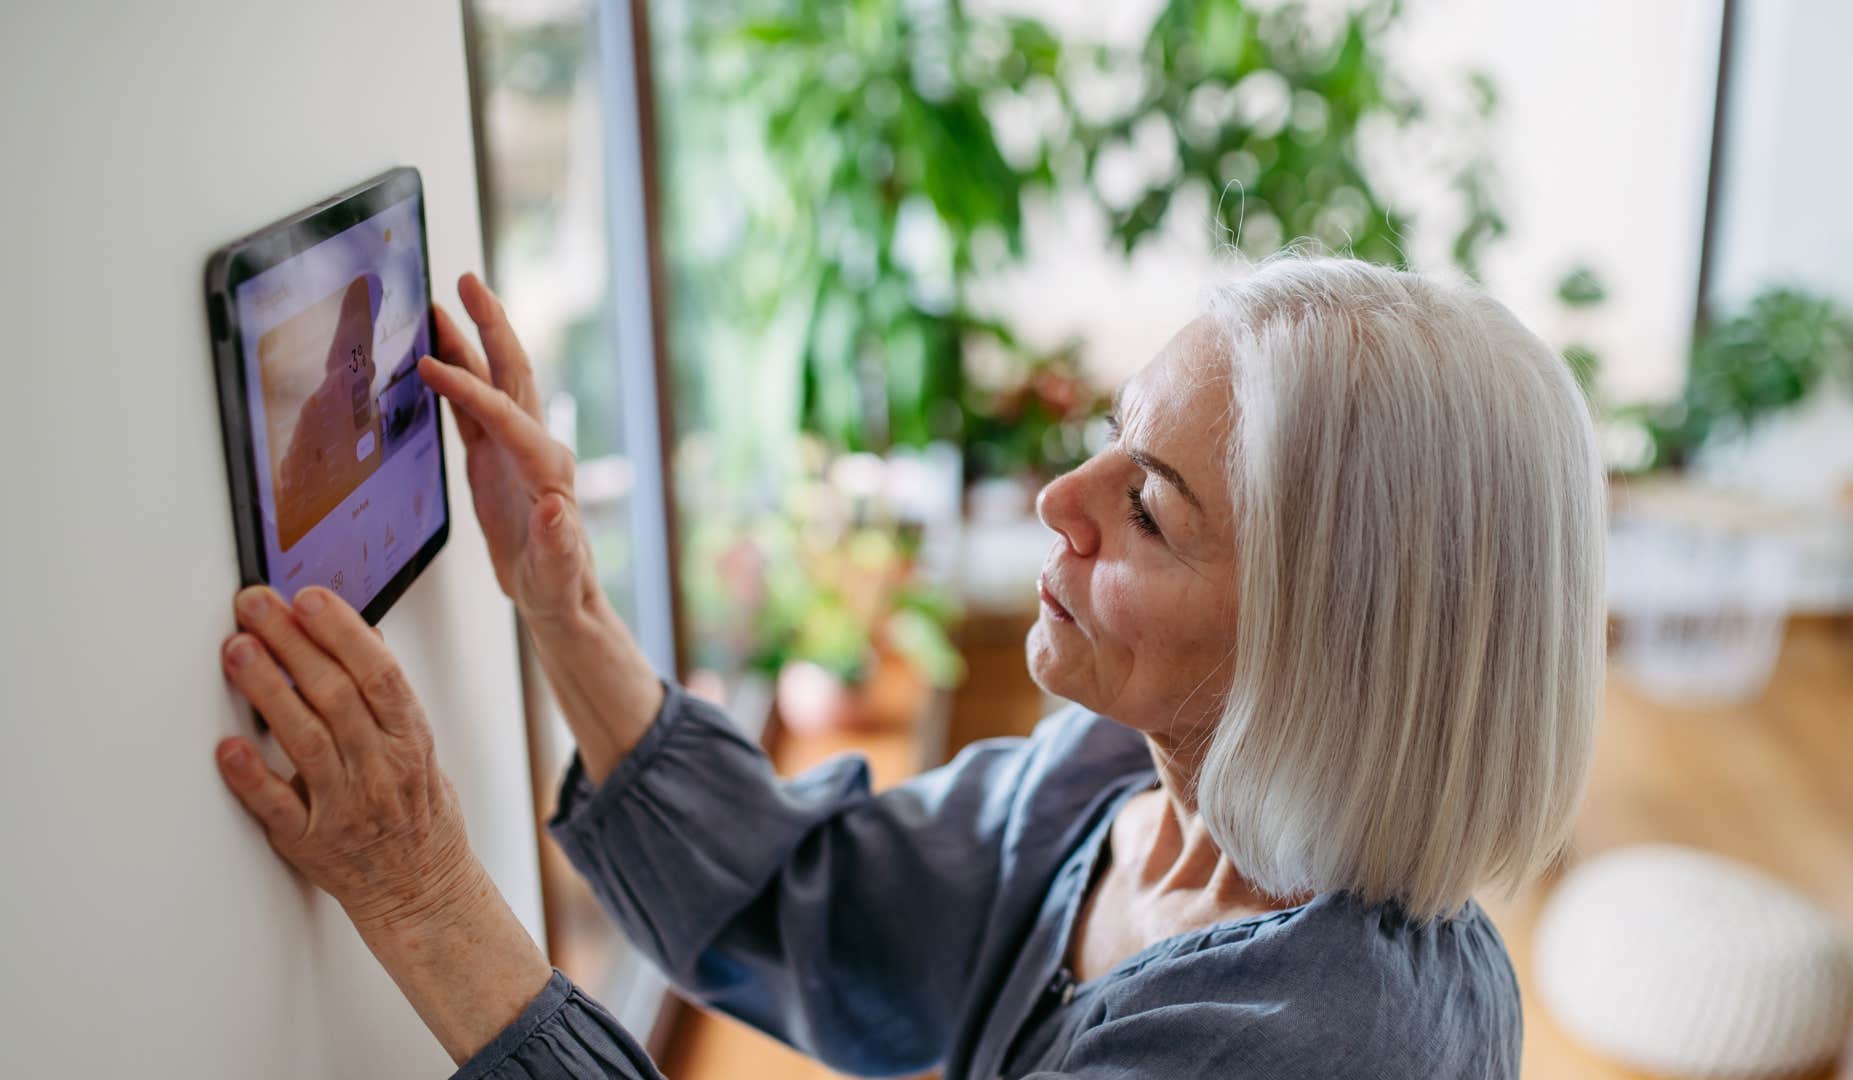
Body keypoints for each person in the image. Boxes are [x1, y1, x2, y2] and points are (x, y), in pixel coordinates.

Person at [212, 256, 1605, 1079]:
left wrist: (430, 900)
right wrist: (561, 597)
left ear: (1324, 649)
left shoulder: (1305, 1048)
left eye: (1153, 508)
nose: (1062, 496)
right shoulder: (1113, 786)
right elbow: (810, 905)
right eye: (1112, 436)